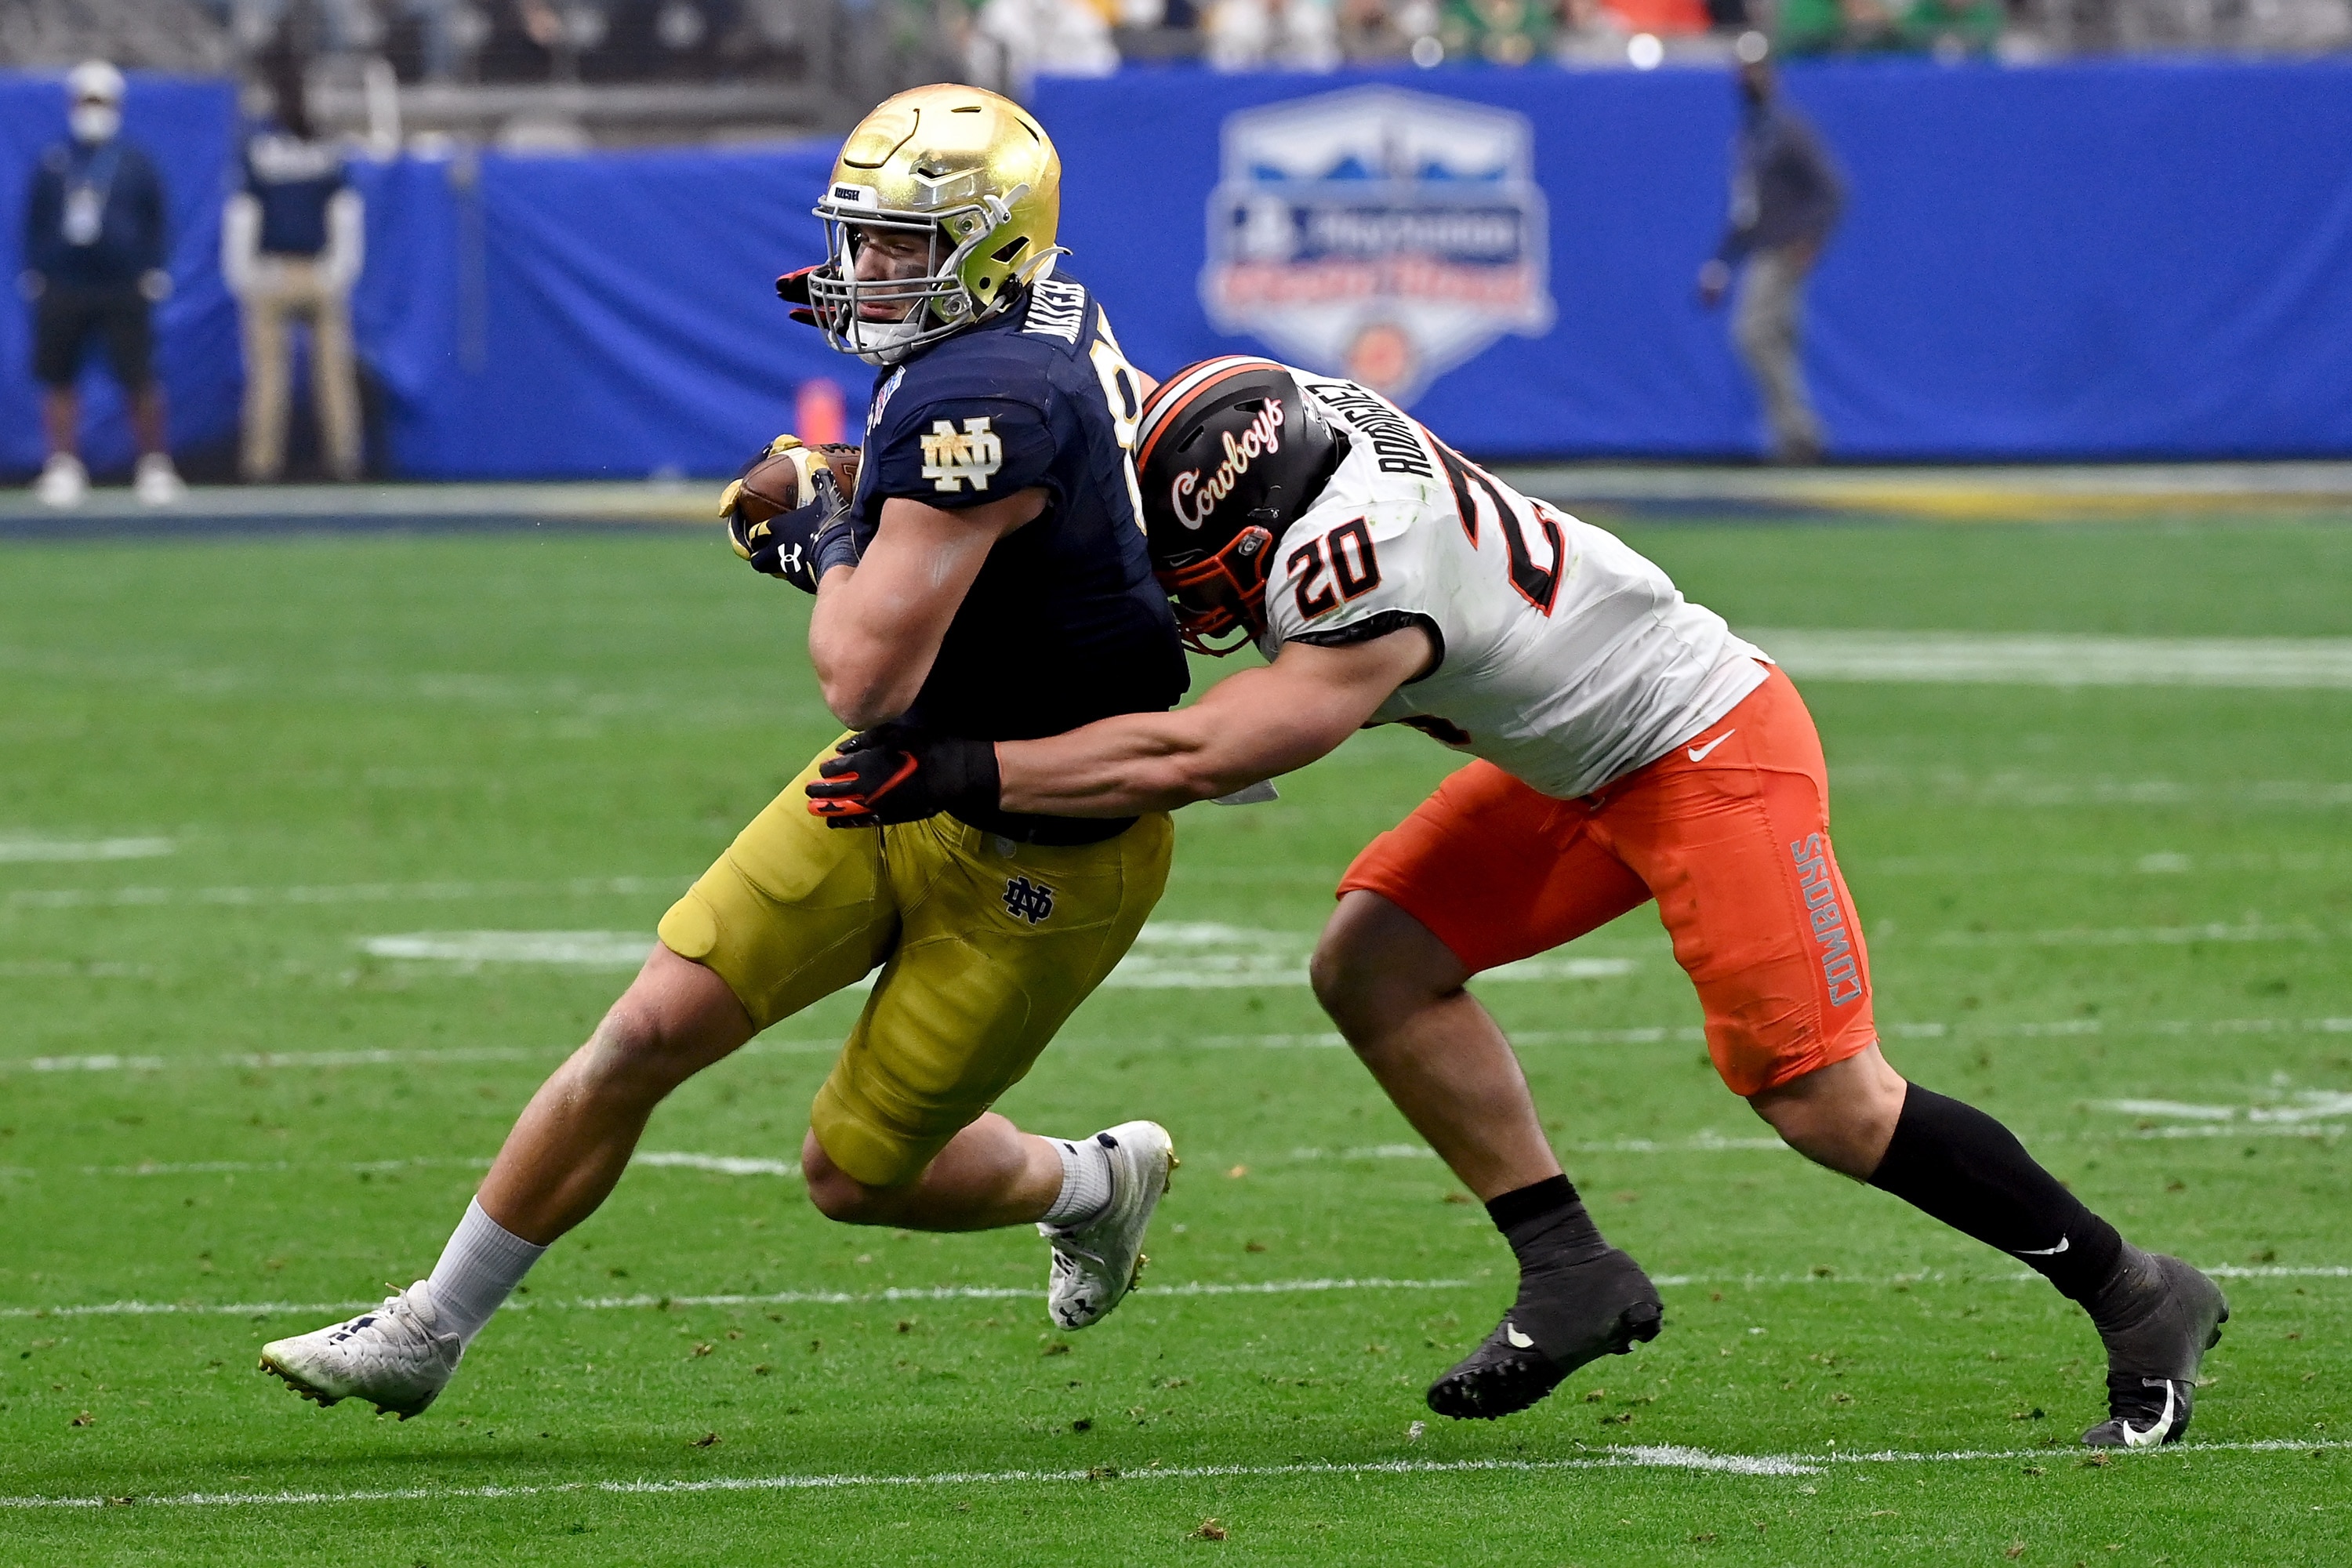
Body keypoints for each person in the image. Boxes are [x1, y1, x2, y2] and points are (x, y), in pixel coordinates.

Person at [808, 356, 2231, 1450]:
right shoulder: (1262, 425)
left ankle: (2135, 1292)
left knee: (1821, 1096)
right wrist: (847, 501)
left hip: (1699, 744)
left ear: (1269, 529)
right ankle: (1571, 1271)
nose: (1192, 606)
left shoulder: (1362, 563)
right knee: (1374, 963)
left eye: (1210, 579)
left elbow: (1207, 751)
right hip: (1573, 754)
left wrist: (966, 765)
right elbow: (1086, 431)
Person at [257, 85, 1190, 1420]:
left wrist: (826, 533)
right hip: (904, 782)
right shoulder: (1030, 320)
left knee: (853, 1176)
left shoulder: (987, 386)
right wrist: (870, 489)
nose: (867, 271)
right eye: (863, 238)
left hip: (1050, 843)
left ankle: (1090, 1183)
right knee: (645, 1030)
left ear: (989, 248)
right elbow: (997, 518)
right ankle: (427, 1327)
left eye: (902, 246)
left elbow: (859, 671)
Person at [20, 60, 183, 507]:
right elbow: (35, 220)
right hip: (66, 283)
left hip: (122, 283)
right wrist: (38, 271)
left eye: (101, 102)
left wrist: (152, 268)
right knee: (60, 379)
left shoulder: (133, 162)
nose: (93, 110)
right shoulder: (55, 159)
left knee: (140, 376)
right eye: (86, 101)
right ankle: (62, 465)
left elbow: (156, 217)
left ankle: (153, 464)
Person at [1697, 33, 1842, 466]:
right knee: (1777, 338)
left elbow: (1831, 190)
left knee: (1754, 334)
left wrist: (1809, 237)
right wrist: (1721, 263)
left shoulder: (1787, 129)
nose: (1750, 78)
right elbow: (1747, 210)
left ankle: (1799, 431)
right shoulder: (1754, 133)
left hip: (1780, 250)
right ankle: (1797, 436)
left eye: (1757, 69)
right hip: (1763, 246)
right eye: (1744, 70)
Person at [226, 58, 365, 482]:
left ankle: (263, 465)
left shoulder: (262, 151)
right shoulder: (324, 151)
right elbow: (346, 215)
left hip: (277, 271)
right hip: (313, 271)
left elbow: (243, 216)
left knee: (271, 376)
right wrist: (339, 270)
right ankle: (344, 461)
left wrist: (245, 274)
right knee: (331, 375)